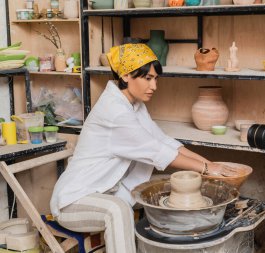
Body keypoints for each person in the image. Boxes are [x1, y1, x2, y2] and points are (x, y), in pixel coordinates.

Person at [50, 43, 236, 253]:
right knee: (117, 210)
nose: (154, 86)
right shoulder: (114, 111)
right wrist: (206, 169)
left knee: (161, 188)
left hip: (107, 191)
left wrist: (210, 164)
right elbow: (156, 152)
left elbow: (163, 141)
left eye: (156, 79)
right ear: (127, 76)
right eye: (148, 78)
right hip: (74, 201)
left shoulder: (134, 105)